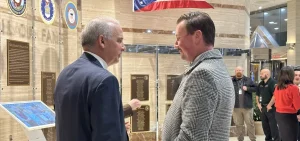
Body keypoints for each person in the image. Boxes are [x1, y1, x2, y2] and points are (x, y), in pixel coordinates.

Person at [162, 11, 235, 141]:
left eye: (178, 38)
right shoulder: (217, 66)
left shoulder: (202, 74)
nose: (175, 44)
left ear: (197, 36)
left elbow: (191, 137)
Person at [54, 17, 127, 141]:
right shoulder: (106, 81)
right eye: (119, 41)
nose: (123, 47)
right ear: (102, 41)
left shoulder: (64, 74)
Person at [273, 66, 300, 141]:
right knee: (292, 137)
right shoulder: (293, 88)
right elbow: (297, 106)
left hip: (279, 114)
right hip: (289, 116)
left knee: (284, 136)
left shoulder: (277, 87)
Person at [232, 66, 257, 141]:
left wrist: (248, 88)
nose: (238, 71)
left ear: (243, 71)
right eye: (237, 70)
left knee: (250, 124)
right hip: (236, 107)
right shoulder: (231, 81)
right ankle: (240, 139)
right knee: (238, 125)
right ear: (235, 71)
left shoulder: (248, 80)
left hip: (247, 107)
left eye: (240, 70)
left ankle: (253, 139)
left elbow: (256, 88)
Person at [256, 69, 280, 141]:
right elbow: (257, 94)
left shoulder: (273, 83)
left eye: (262, 73)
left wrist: (269, 105)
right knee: (265, 126)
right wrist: (258, 104)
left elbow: (275, 95)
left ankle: (276, 139)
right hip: (263, 108)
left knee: (273, 126)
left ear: (267, 74)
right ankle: (268, 139)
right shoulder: (261, 84)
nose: (260, 75)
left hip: (271, 108)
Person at [293, 66, 300, 141]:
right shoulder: (287, 87)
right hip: (290, 116)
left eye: (299, 75)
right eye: (296, 75)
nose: (297, 77)